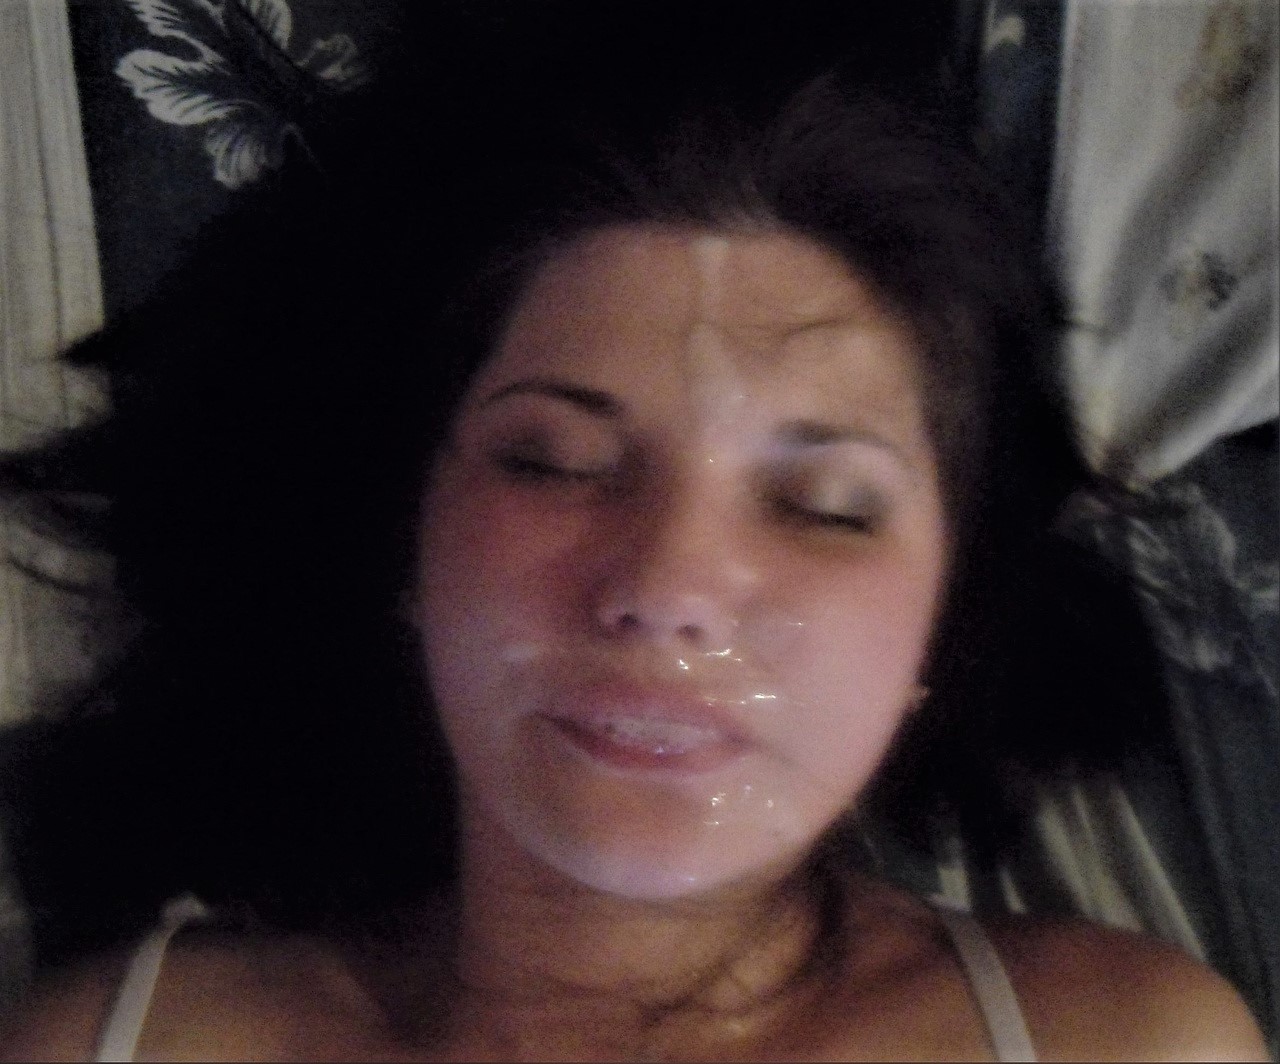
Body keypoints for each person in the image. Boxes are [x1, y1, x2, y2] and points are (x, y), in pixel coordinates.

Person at [0, 64, 1267, 1060]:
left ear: (942, 625)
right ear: (408, 543)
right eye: (552, 463)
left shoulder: (1127, 1043)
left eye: (823, 506)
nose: (667, 588)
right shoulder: (114, 1043)